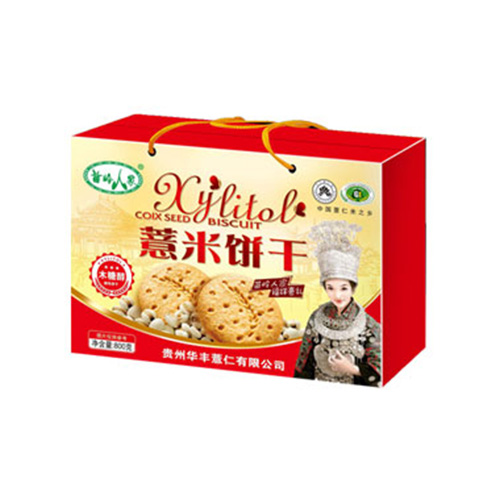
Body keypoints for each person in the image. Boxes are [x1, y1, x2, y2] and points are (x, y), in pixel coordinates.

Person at [294, 221, 381, 386]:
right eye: (330, 288)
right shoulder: (316, 317)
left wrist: (352, 369)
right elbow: (303, 362)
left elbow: (380, 368)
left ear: (353, 288)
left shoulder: (369, 325)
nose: (337, 295)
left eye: (343, 288)